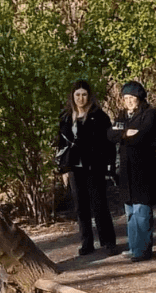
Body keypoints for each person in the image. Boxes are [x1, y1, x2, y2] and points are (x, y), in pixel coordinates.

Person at [56, 79, 118, 258]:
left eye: (84, 95)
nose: (81, 98)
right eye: (77, 95)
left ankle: (108, 242)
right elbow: (61, 144)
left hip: (94, 166)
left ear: (89, 96)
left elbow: (107, 143)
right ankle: (87, 243)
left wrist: (109, 165)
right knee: (80, 207)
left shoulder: (99, 116)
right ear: (72, 97)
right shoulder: (66, 117)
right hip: (74, 168)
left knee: (99, 204)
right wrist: (64, 169)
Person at [107, 80, 156, 262]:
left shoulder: (150, 113)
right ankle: (134, 246)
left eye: (132, 98)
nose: (128, 101)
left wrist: (125, 136)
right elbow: (110, 135)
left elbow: (143, 135)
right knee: (129, 212)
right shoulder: (122, 115)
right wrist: (124, 134)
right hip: (126, 170)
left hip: (143, 169)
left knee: (142, 212)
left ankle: (143, 250)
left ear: (139, 98)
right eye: (125, 98)